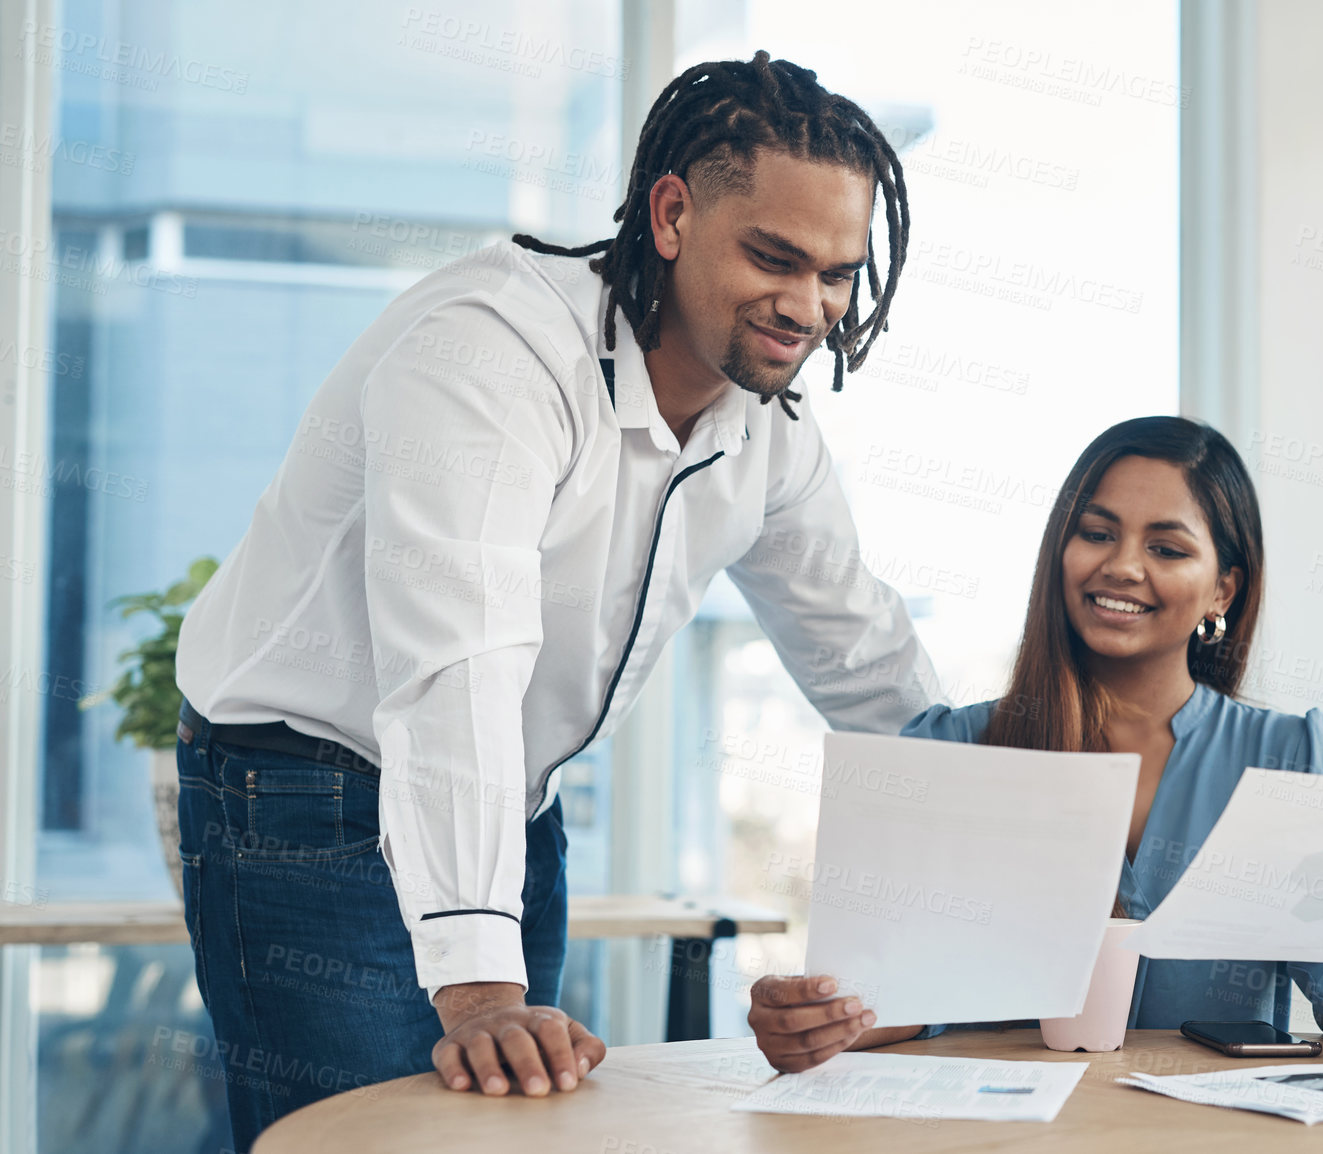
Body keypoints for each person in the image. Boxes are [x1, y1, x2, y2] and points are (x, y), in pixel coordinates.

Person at [174, 52, 940, 1150]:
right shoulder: (494, 354)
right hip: (300, 780)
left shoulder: (767, 433)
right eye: (774, 257)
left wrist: (1034, 821)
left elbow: (867, 659)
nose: (807, 306)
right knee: (366, 1136)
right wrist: (482, 988)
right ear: (671, 213)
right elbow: (459, 664)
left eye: (835, 274)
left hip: (507, 797)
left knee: (508, 1129)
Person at [747, 416, 1323, 1072]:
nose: (1121, 565)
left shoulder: (1291, 757)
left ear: (1223, 586)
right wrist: (815, 1021)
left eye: (1165, 547)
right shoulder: (959, 747)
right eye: (1096, 532)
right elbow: (894, 994)